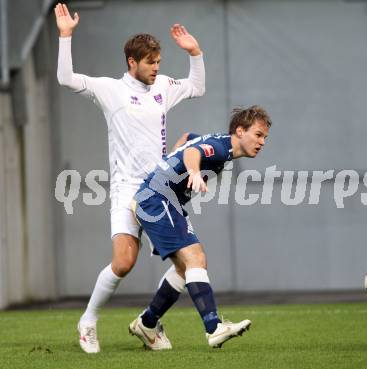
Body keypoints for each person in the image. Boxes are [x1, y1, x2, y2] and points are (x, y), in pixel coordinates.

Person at [54, 2, 205, 353]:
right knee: (123, 262)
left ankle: (149, 324)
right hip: (125, 189)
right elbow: (66, 79)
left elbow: (196, 87)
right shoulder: (111, 90)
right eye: (150, 62)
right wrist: (65, 37)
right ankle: (88, 321)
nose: (156, 68)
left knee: (190, 264)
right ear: (131, 63)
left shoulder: (163, 87)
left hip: (160, 188)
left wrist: (195, 53)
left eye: (158, 62)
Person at [129, 106, 272, 348]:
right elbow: (193, 151)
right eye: (258, 135)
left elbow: (188, 138)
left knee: (187, 268)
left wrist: (173, 159)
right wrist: (193, 172)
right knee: (196, 257)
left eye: (265, 137)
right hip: (156, 199)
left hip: (163, 201)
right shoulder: (220, 148)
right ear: (240, 131)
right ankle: (214, 327)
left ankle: (147, 322)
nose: (262, 142)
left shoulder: (220, 144)